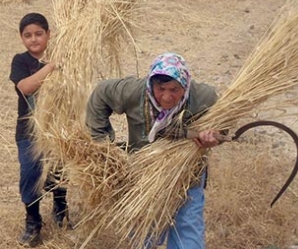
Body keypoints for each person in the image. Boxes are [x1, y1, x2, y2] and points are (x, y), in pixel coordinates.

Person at [86, 52, 221, 249]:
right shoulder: (133, 91)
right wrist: (101, 142)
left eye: (175, 89)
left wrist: (212, 138)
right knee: (143, 235)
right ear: (151, 84)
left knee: (187, 235)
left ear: (186, 84)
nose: (167, 97)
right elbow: (101, 93)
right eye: (161, 88)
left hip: (188, 175)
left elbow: (223, 128)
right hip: (144, 178)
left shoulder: (204, 97)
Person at [9, 12, 72, 247]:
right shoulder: (21, 61)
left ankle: (61, 206)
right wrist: (52, 66)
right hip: (29, 132)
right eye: (28, 35)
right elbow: (25, 87)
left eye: (38, 34)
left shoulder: (65, 58)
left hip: (60, 129)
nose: (34, 39)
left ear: (49, 34)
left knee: (59, 171)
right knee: (30, 174)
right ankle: (33, 220)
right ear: (21, 38)